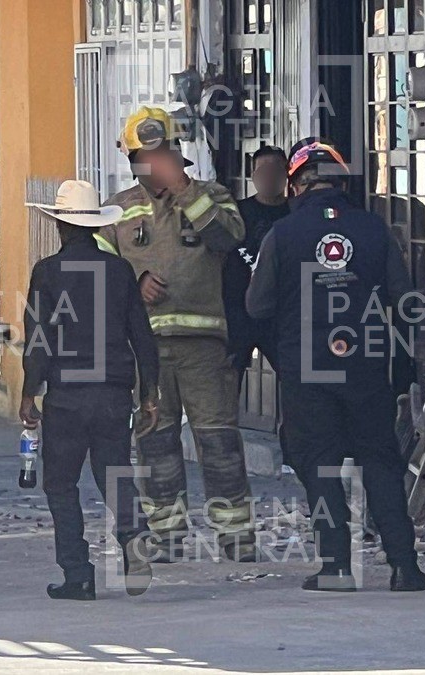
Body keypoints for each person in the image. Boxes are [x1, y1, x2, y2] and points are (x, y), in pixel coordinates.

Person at [246, 137, 425, 592]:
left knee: (321, 466)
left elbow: (256, 306)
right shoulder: (373, 229)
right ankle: (404, 567)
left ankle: (336, 568)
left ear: (295, 186)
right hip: (366, 366)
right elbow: (405, 301)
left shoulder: (281, 236)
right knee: (381, 463)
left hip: (308, 370)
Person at [96, 107, 256, 563]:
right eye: (144, 157)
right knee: (155, 443)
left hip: (204, 347)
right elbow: (101, 276)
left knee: (219, 443)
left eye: (161, 153)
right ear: (131, 161)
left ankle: (237, 537)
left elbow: (228, 240)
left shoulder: (213, 195)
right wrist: (134, 283)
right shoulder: (117, 210)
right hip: (145, 352)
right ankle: (165, 537)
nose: (153, 164)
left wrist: (185, 190)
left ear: (176, 152)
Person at [20, 180, 160, 601]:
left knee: (61, 485)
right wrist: (149, 393)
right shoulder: (120, 272)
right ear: (96, 227)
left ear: (61, 227)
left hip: (66, 396)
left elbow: (38, 340)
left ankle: (78, 575)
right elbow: (143, 336)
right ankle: (134, 534)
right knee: (114, 472)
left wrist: (29, 392)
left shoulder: (46, 272)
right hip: (114, 394)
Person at [224, 146, 289, 377]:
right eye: (263, 171)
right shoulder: (237, 213)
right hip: (238, 312)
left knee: (293, 377)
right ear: (253, 176)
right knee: (229, 379)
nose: (269, 177)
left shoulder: (295, 215)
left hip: (280, 316)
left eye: (276, 170)